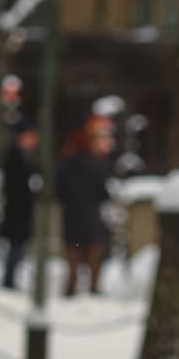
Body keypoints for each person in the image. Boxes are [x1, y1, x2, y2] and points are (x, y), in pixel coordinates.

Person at [55, 122, 111, 293]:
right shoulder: (94, 166)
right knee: (93, 256)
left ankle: (70, 288)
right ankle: (94, 287)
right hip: (90, 220)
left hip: (71, 219)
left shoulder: (65, 167)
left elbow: (58, 192)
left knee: (73, 258)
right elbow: (103, 193)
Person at [0, 129, 38, 287]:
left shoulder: (24, 157)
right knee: (15, 249)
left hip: (20, 213)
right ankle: (8, 281)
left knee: (18, 249)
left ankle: (10, 280)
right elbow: (15, 187)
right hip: (16, 213)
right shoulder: (15, 158)